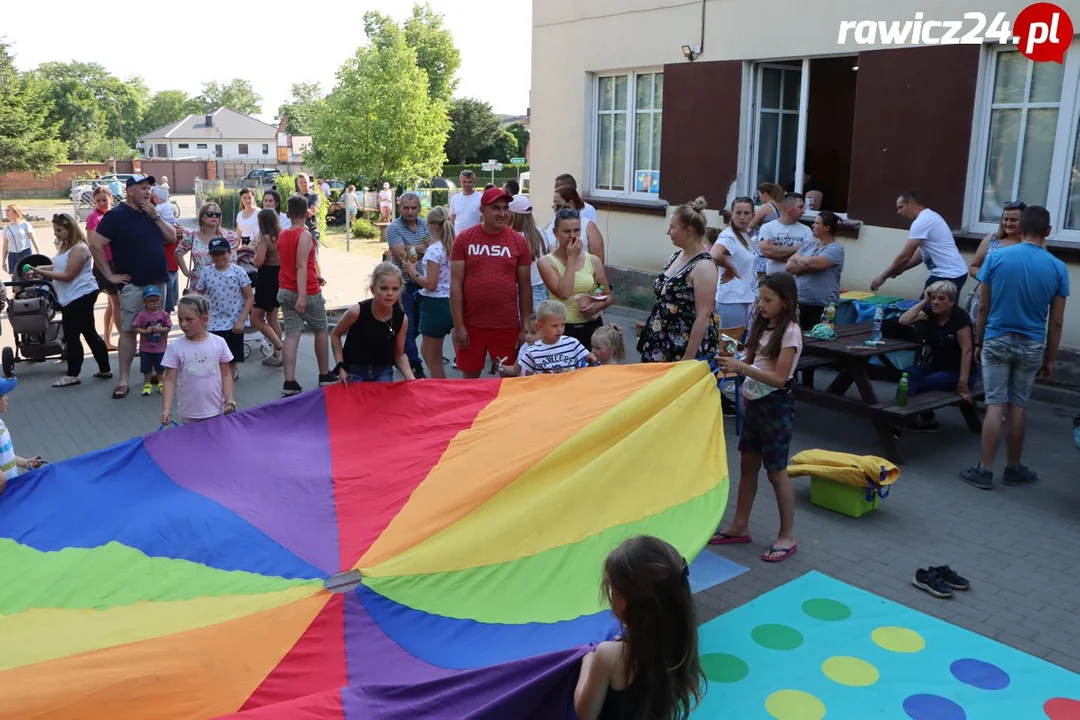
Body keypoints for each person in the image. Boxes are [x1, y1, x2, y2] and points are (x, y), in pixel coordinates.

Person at [960, 205, 1069, 490]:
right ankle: (1014, 468)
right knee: (1018, 406)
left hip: (996, 339)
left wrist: (980, 341)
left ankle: (984, 470)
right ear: (1048, 231)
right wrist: (1051, 359)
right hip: (1032, 344)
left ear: (1020, 229)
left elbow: (982, 305)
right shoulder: (1058, 267)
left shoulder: (997, 257)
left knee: (995, 405)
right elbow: (1056, 322)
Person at [713, 273, 802, 562]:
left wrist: (740, 368)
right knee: (747, 465)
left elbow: (778, 378)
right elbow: (752, 360)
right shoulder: (762, 324)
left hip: (776, 405)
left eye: (768, 300)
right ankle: (740, 525)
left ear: (785, 302)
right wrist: (733, 359)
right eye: (759, 298)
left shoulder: (790, 332)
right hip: (754, 401)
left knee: (776, 471)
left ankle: (787, 536)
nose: (760, 304)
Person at [573, 535, 705, 720]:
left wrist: (588, 663)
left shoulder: (610, 656)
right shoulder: (681, 643)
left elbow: (584, 714)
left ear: (623, 602)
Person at [88, 174, 172, 400]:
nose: (147, 192)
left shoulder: (151, 212)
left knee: (157, 327)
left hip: (158, 281)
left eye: (149, 188)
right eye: (142, 188)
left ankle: (156, 373)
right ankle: (123, 380)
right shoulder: (116, 216)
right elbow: (95, 245)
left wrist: (156, 217)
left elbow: (171, 236)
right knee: (128, 330)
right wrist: (109, 275)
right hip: (134, 283)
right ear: (129, 191)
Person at [450, 186, 533, 379]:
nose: (502, 213)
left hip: (506, 325)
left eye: (505, 208)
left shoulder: (518, 242)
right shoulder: (464, 239)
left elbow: (525, 286)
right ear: (482, 210)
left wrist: (525, 327)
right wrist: (459, 325)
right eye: (496, 208)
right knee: (470, 384)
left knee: (510, 383)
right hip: (472, 326)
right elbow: (455, 285)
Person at [26, 213, 111, 387]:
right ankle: (104, 369)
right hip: (73, 296)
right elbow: (60, 266)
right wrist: (40, 268)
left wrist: (41, 273)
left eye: (59, 230)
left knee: (73, 336)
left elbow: (68, 275)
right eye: (54, 230)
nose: (56, 234)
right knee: (88, 333)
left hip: (80, 296)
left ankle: (73, 374)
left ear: (70, 229)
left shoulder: (79, 249)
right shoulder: (66, 246)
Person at [638, 198, 719, 363]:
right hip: (660, 341)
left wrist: (688, 357)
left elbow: (703, 316)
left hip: (681, 347)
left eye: (672, 227)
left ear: (688, 231)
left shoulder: (704, 266)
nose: (668, 232)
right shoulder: (676, 256)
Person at [896, 281, 974, 431]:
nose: (936, 302)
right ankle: (899, 414)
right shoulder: (930, 313)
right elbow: (903, 321)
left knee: (926, 383)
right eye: (934, 298)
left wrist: (963, 383)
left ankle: (923, 418)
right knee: (908, 374)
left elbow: (967, 350)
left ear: (951, 301)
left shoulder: (960, 318)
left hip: (958, 371)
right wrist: (925, 300)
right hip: (937, 366)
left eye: (942, 298)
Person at [277, 196, 335, 395]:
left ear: (287, 213)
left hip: (285, 289)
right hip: (306, 291)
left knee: (292, 334)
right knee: (320, 328)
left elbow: (293, 263)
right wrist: (302, 295)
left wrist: (315, 275)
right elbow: (301, 266)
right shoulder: (305, 235)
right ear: (307, 213)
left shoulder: (283, 234)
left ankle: (289, 381)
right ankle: (324, 374)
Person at [538, 207, 614, 347]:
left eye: (577, 230)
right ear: (555, 233)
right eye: (567, 231)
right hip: (561, 328)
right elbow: (564, 293)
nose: (572, 236)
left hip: (591, 326)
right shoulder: (546, 262)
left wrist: (598, 305)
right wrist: (571, 259)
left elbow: (609, 296)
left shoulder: (593, 260)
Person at [331, 263, 416, 384]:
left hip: (383, 372)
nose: (390, 293)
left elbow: (399, 355)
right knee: (356, 402)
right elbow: (335, 335)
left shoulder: (401, 319)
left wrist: (412, 379)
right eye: (384, 288)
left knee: (383, 403)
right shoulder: (357, 311)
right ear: (373, 289)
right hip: (354, 371)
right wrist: (340, 366)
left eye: (395, 289)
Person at [872, 191, 969, 295]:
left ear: (911, 204)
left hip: (949, 275)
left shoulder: (922, 221)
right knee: (933, 309)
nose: (898, 212)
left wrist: (883, 276)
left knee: (927, 310)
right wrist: (901, 269)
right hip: (952, 273)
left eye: (901, 207)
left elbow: (905, 256)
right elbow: (921, 253)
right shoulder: (929, 217)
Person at [161, 295, 236, 426]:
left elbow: (226, 374)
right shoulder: (175, 347)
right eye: (180, 319)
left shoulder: (219, 343)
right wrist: (166, 409)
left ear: (204, 320)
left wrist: (229, 399)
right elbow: (169, 380)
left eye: (189, 319)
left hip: (216, 410)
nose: (183, 324)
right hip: (189, 413)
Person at [404, 207, 454, 379]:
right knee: (425, 351)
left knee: (434, 360)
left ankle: (442, 396)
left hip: (435, 304)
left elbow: (431, 284)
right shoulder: (452, 246)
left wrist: (412, 272)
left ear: (432, 226)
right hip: (451, 301)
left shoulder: (435, 250)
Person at [194, 237, 253, 382]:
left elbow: (250, 297)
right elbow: (197, 297)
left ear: (229, 253)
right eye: (215, 254)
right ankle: (215, 387)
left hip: (234, 323)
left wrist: (241, 320)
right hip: (213, 323)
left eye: (222, 253)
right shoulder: (206, 272)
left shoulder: (238, 271)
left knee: (231, 359)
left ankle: (228, 391)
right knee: (214, 358)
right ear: (210, 256)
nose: (219, 257)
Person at [385, 192, 429, 378]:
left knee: (419, 326)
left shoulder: (426, 224)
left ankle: (398, 352)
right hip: (403, 284)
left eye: (414, 208)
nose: (410, 211)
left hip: (423, 283)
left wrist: (408, 247)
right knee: (408, 325)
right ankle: (415, 364)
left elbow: (433, 247)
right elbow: (400, 255)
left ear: (419, 208)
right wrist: (421, 248)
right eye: (406, 208)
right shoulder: (393, 228)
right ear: (399, 207)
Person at [496, 300, 594, 376]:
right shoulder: (532, 352)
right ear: (540, 326)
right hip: (545, 397)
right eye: (554, 326)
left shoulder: (572, 343)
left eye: (563, 325)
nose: (559, 329)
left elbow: (588, 367)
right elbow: (526, 381)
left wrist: (591, 359)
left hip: (570, 396)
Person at [786, 210, 845, 331]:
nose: (813, 225)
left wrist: (800, 259)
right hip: (800, 302)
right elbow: (789, 266)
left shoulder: (836, 249)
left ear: (827, 227)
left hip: (822, 306)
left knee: (817, 341)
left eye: (817, 223)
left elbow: (815, 264)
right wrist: (807, 264)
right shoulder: (809, 246)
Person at [967, 201, 1024, 322]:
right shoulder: (991, 239)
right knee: (978, 334)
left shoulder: (1029, 244)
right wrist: (989, 279)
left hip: (1012, 301)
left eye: (1013, 220)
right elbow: (973, 267)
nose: (1008, 223)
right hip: (984, 298)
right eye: (1005, 219)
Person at [711, 196, 758, 328]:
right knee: (729, 345)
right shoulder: (728, 235)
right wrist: (730, 268)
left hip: (745, 298)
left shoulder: (744, 235)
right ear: (732, 215)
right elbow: (714, 255)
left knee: (740, 345)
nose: (742, 217)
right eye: (738, 213)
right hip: (732, 299)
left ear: (753, 216)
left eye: (746, 213)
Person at [86, 186, 121, 350]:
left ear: (111, 198)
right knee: (117, 303)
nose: (101, 203)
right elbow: (92, 244)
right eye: (98, 200)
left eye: (104, 200)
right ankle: (125, 340)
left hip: (117, 260)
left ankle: (107, 340)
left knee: (112, 304)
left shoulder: (113, 215)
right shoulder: (94, 218)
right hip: (106, 263)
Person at [176, 203, 239, 291]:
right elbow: (178, 252)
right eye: (210, 214)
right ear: (202, 217)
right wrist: (186, 271)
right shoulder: (192, 236)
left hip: (221, 283)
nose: (214, 216)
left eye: (217, 215)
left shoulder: (228, 237)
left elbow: (233, 263)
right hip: (197, 284)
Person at [508, 195, 554, 308]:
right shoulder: (541, 232)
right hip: (542, 289)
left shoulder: (513, 237)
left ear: (512, 215)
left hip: (523, 291)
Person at [252, 208, 284, 367]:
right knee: (272, 317)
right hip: (279, 276)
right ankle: (277, 354)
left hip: (266, 279)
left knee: (256, 318)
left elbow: (257, 262)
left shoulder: (265, 239)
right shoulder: (281, 236)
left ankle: (278, 346)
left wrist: (253, 252)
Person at [0, 377, 43, 494]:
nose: (6, 398)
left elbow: (5, 455)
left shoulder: (0, 423)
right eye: (2, 396)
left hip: (10, 486)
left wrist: (24, 462)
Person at [758, 193, 813, 276]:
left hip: (796, 282)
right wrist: (797, 249)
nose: (803, 211)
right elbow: (767, 252)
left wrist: (776, 252)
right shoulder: (767, 227)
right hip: (773, 280)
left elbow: (807, 257)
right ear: (788, 208)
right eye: (800, 207)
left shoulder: (806, 230)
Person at [132, 286, 172, 396]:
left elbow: (168, 327)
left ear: (160, 300)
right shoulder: (142, 315)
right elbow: (135, 327)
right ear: (145, 302)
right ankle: (147, 384)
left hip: (160, 348)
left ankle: (161, 383)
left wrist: (160, 329)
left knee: (160, 368)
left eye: (156, 300)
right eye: (150, 301)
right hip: (146, 348)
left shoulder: (164, 314)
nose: (153, 304)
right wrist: (144, 331)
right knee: (146, 368)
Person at [552, 186, 606, 265]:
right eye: (566, 231)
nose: (553, 206)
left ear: (570, 203)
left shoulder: (589, 226)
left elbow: (598, 261)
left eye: (557, 203)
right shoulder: (552, 224)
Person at [3, 203, 41, 276]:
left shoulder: (25, 224)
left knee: (28, 275)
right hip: (12, 255)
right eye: (6, 210)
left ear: (16, 212)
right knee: (15, 278)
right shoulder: (6, 228)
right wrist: (3, 261)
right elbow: (5, 246)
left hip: (25, 253)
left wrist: (38, 253)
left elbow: (33, 239)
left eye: (9, 210)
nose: (6, 212)